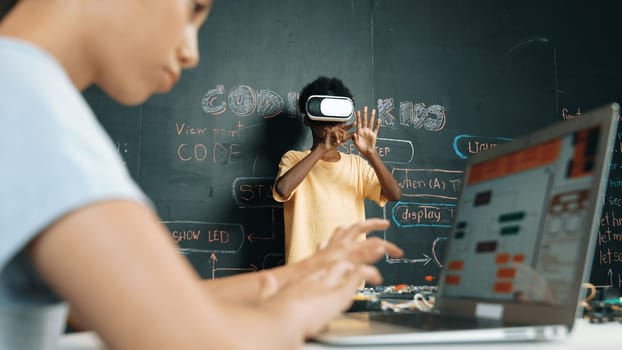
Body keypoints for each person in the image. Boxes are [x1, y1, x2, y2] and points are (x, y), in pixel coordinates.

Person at [0, 1, 403, 349]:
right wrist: (309, 307)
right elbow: (191, 342)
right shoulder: (26, 101)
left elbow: (117, 305)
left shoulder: (23, 89)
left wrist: (292, 280)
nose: (191, 52)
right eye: (193, 8)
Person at [273, 76, 402, 264]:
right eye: (322, 121)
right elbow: (282, 189)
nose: (329, 125)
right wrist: (322, 149)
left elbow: (394, 194)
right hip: (302, 274)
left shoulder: (356, 165)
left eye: (334, 120)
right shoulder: (294, 159)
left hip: (347, 271)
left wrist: (372, 154)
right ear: (308, 120)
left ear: (343, 121)